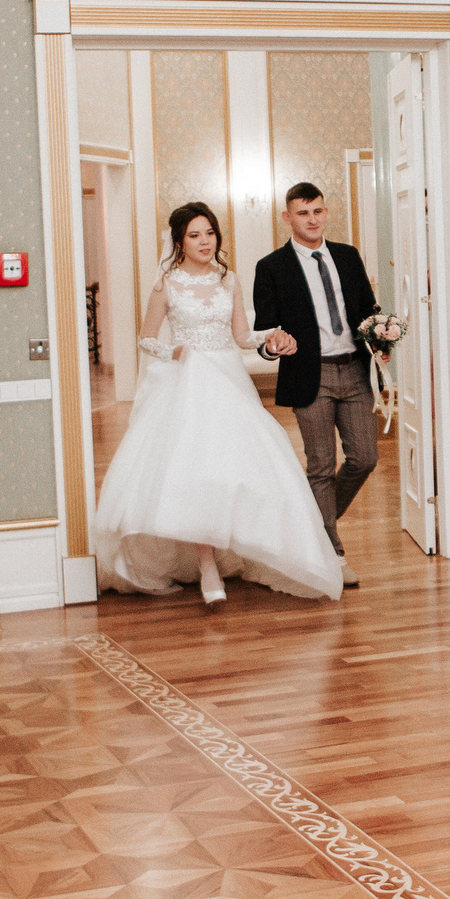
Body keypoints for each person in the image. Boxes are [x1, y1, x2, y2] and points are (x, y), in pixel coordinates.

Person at [93, 203, 344, 604]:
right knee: (195, 471)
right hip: (187, 383)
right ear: (179, 241)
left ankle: (246, 545)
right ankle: (207, 564)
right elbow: (146, 338)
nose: (205, 242)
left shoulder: (229, 281)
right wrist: (173, 351)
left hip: (228, 380)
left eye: (209, 233)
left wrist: (270, 337)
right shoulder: (167, 284)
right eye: (194, 235)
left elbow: (241, 336)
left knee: (238, 469)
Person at [250, 182, 381, 587]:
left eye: (318, 211)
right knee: (321, 466)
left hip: (354, 371)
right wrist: (275, 347)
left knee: (365, 458)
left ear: (326, 213)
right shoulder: (271, 267)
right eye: (303, 213)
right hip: (311, 376)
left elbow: (367, 308)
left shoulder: (347, 256)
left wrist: (379, 337)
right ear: (287, 217)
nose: (312, 219)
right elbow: (264, 334)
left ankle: (312, 522)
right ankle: (332, 553)